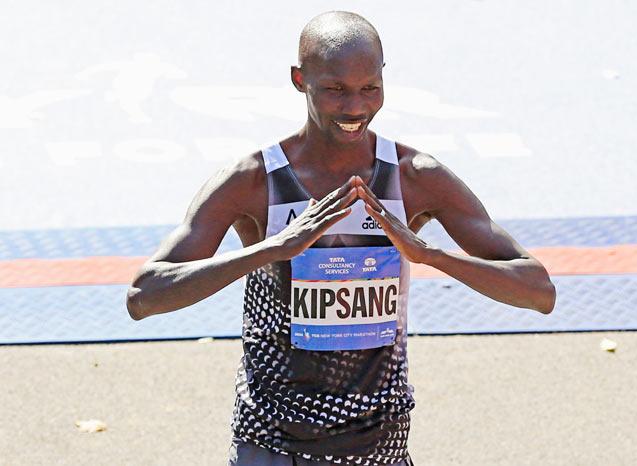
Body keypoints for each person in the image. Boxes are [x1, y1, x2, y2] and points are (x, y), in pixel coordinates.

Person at [126, 10, 556, 466]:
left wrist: (432, 256)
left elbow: (538, 292)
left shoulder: (413, 178)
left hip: (378, 445)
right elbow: (144, 296)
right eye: (335, 90)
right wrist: (270, 250)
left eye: (369, 88)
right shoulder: (253, 181)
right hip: (272, 442)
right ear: (299, 79)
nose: (355, 108)